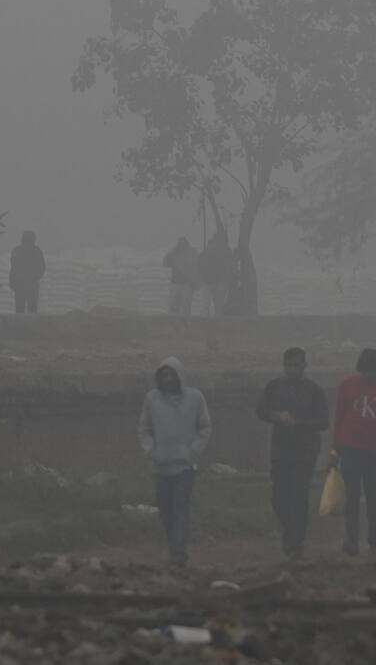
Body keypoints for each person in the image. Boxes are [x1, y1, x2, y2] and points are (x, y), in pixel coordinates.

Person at [256, 347, 329, 560]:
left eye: (296, 365)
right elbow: (260, 410)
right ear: (283, 366)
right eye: (288, 365)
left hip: (305, 451)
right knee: (279, 498)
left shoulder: (315, 390)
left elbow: (324, 421)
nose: (291, 369)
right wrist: (277, 416)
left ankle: (296, 543)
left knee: (299, 496)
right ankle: (291, 532)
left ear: (304, 366)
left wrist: (299, 423)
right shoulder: (274, 387)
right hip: (281, 451)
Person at [330, 347, 376, 557]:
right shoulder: (347, 386)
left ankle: (374, 543)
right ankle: (352, 542)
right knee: (351, 498)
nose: (369, 375)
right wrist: (335, 450)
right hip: (351, 451)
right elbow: (339, 419)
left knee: (374, 498)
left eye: (373, 371)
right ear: (360, 370)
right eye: (365, 371)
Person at [138, 356, 211, 567]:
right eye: (164, 375)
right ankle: (174, 548)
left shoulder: (195, 398)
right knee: (165, 511)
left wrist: (192, 452)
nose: (168, 379)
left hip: (185, 467)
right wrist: (151, 450)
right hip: (160, 467)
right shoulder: (152, 399)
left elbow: (205, 427)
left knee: (180, 509)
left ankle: (179, 555)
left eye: (172, 374)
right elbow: (144, 428)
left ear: (180, 376)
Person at [198, 229, 234, 317]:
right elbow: (200, 262)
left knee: (217, 306)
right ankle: (207, 322)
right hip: (209, 281)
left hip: (218, 282)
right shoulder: (211, 248)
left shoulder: (225, 250)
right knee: (207, 306)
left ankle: (216, 322)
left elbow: (229, 266)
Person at [9, 230, 46, 314]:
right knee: (31, 310)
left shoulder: (17, 251)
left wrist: (12, 282)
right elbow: (42, 268)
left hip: (21, 284)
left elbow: (13, 269)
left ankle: (20, 327)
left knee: (20, 310)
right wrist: (34, 278)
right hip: (30, 285)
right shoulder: (36, 251)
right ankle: (31, 327)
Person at [162, 237, 199, 316]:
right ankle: (174, 323)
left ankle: (185, 324)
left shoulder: (192, 253)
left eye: (183, 244)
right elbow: (165, 262)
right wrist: (172, 252)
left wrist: (194, 281)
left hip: (187, 284)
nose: (182, 246)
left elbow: (196, 267)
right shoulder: (174, 253)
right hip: (175, 283)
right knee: (173, 306)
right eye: (180, 244)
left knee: (186, 307)